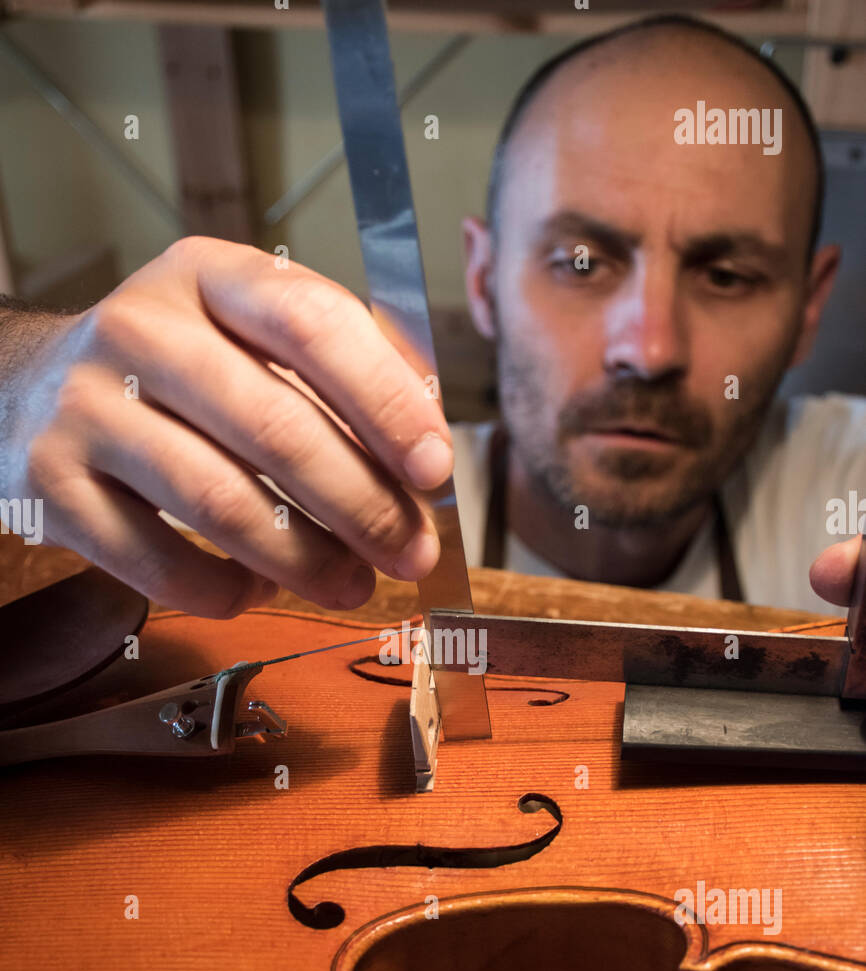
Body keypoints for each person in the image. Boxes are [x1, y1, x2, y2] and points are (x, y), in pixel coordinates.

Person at [0, 14, 861, 620]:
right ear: (482, 278)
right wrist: (21, 382)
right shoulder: (301, 493)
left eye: (727, 275)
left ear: (809, 304)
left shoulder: (843, 486)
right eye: (581, 263)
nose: (649, 347)